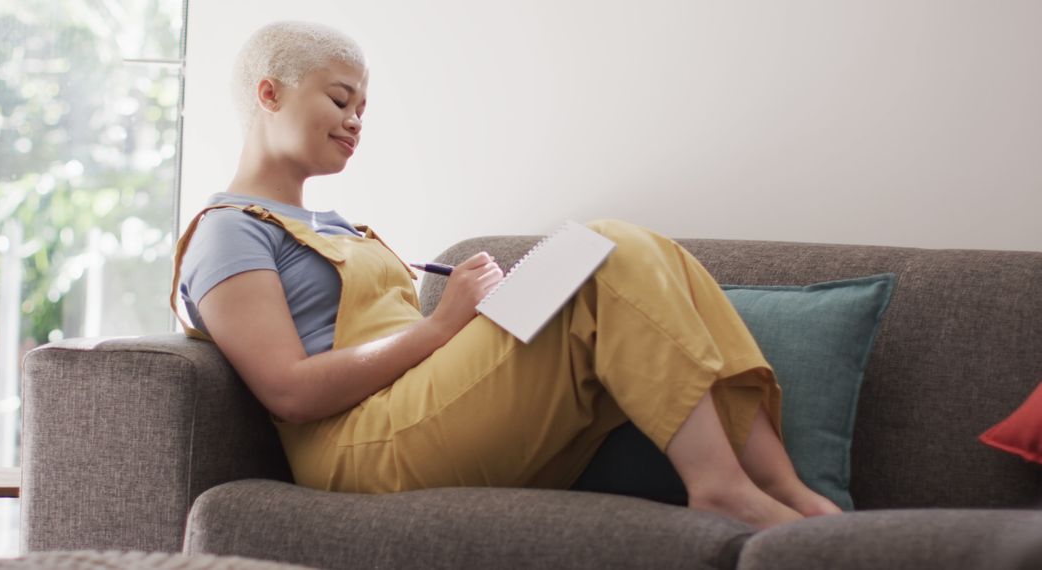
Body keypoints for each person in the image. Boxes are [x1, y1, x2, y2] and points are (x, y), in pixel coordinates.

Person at [173, 20, 842, 530]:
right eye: (341, 99)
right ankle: (720, 486)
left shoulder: (336, 227)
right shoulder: (229, 231)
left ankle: (782, 488)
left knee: (654, 256)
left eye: (363, 110)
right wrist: (443, 326)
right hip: (359, 452)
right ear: (269, 93)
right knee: (604, 247)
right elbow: (288, 392)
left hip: (422, 408)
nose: (355, 122)